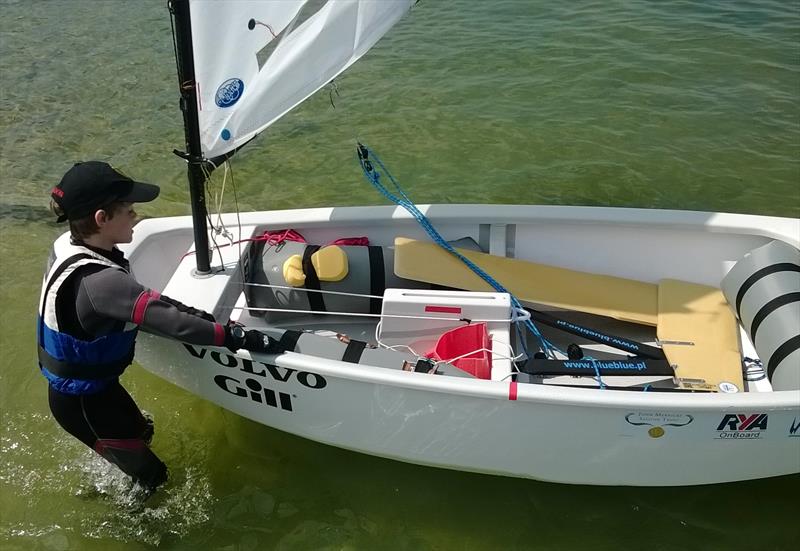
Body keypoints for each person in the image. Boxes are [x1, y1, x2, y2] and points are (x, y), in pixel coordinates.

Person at [38, 161, 276, 494]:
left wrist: (208, 320)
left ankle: (108, 476)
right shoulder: (102, 284)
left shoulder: (70, 246)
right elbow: (172, 322)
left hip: (93, 391)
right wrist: (234, 335)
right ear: (101, 219)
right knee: (155, 480)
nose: (137, 216)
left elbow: (157, 305)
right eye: (129, 211)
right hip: (82, 403)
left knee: (143, 432)